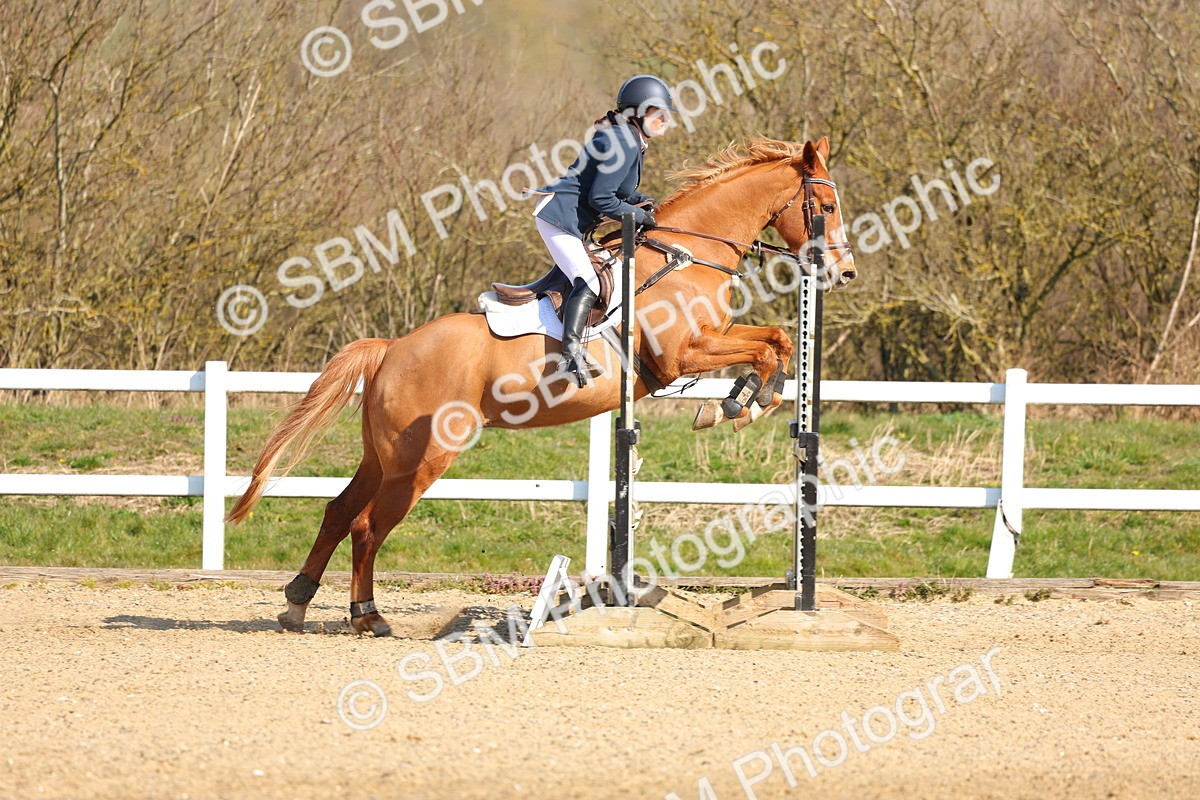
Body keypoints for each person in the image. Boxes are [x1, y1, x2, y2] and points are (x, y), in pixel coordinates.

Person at [529, 74, 677, 387]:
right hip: (559, 218)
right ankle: (569, 357)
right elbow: (601, 198)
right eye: (658, 112)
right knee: (591, 282)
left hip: (572, 219)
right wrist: (636, 214)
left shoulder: (629, 138)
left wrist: (641, 203)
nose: (665, 119)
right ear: (637, 112)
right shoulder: (623, 141)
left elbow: (614, 191)